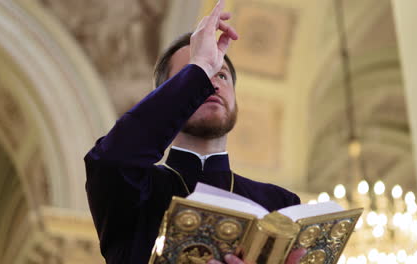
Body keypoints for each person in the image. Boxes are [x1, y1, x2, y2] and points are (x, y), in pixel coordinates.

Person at [84, 0, 306, 263]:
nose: (211, 83)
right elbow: (111, 160)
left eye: (221, 75)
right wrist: (200, 66)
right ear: (169, 96)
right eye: (199, 74)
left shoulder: (279, 202)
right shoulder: (136, 190)